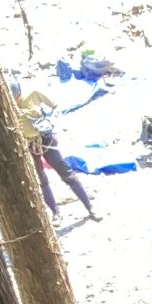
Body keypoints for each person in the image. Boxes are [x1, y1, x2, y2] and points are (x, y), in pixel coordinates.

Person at [13, 80, 97, 223]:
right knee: (42, 180)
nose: (16, 100)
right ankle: (56, 213)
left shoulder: (33, 95)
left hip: (46, 141)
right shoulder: (9, 108)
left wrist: (51, 124)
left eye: (16, 97)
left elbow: (54, 108)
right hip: (29, 145)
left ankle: (90, 207)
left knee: (67, 173)